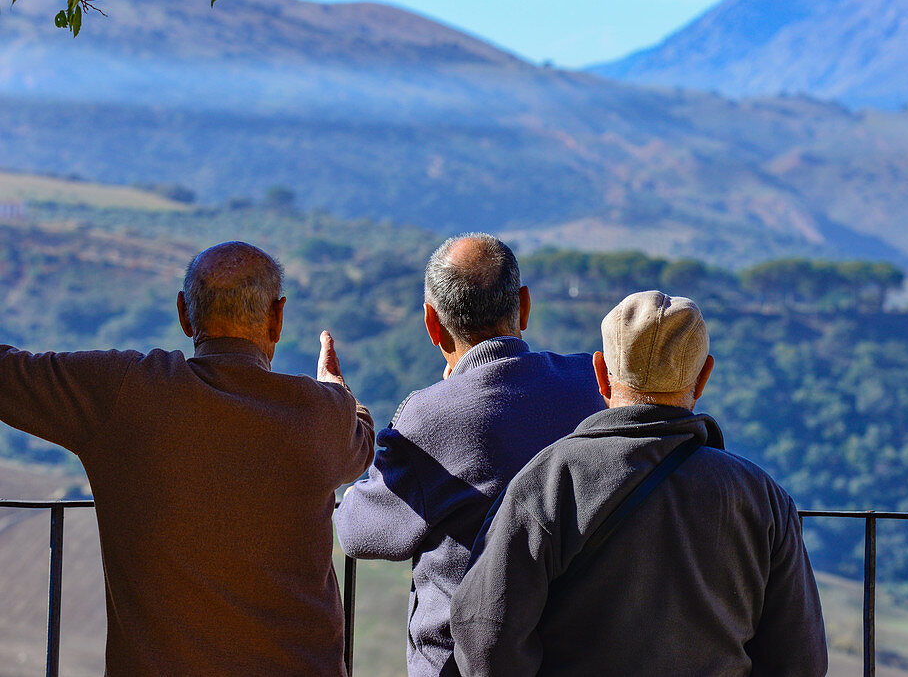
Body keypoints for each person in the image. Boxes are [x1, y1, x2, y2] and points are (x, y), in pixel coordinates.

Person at [0, 241, 374, 676]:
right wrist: (336, 388)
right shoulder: (318, 413)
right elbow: (362, 441)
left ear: (184, 313)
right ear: (277, 318)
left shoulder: (124, 393)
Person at [451, 290, 829, 677]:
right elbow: (802, 663)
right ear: (702, 378)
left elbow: (486, 634)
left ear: (600, 373)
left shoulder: (549, 481)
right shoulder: (762, 499)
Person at [333, 233, 605, 677]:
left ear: (432, 325)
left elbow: (358, 533)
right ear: (524, 305)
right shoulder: (592, 385)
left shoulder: (428, 419)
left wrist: (340, 418)